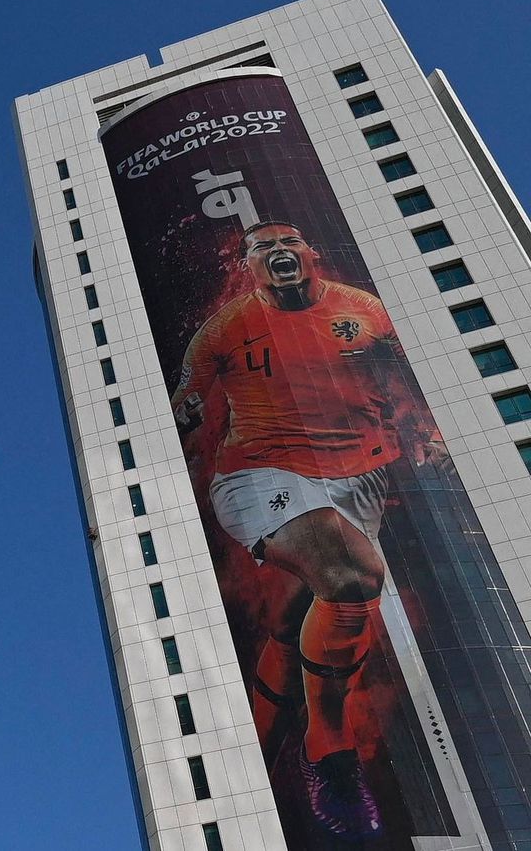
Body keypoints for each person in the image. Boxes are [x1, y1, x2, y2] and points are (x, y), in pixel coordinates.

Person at [171, 221, 447, 840]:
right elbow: (187, 396)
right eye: (262, 247)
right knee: (351, 576)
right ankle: (330, 750)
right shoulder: (224, 330)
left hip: (363, 477)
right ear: (248, 266)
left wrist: (425, 428)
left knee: (294, 620)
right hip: (260, 474)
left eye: (288, 241)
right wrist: (186, 411)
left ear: (310, 253)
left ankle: (259, 748)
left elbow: (403, 381)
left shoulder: (363, 311)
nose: (277, 252)